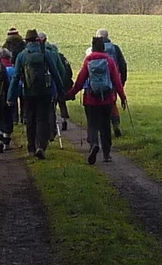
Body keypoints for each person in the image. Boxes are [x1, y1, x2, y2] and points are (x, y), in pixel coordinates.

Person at [68, 36, 127, 164]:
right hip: (107, 100)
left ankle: (94, 144)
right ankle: (106, 154)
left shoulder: (88, 60)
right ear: (103, 48)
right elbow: (117, 81)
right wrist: (122, 97)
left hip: (91, 99)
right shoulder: (109, 60)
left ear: (93, 47)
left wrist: (70, 94)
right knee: (105, 126)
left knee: (93, 125)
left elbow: (80, 81)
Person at [8, 29, 64, 159]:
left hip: (28, 92)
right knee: (42, 119)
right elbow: (55, 73)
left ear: (26, 41)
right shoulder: (46, 54)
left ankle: (31, 148)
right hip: (45, 91)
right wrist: (61, 90)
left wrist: (11, 97)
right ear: (38, 40)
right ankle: (41, 146)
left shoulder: (22, 55)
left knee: (30, 119)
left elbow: (16, 77)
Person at [38, 31, 73, 133]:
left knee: (51, 107)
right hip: (59, 82)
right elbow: (64, 70)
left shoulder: (41, 53)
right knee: (62, 103)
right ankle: (64, 119)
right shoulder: (58, 55)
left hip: (47, 84)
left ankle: (52, 128)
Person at [96, 29, 128, 137]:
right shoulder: (115, 48)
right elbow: (123, 65)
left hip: (96, 84)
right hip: (112, 82)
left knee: (98, 106)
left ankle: (101, 130)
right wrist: (122, 82)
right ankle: (115, 125)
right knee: (112, 104)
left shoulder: (93, 49)